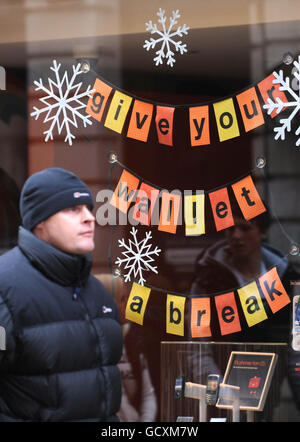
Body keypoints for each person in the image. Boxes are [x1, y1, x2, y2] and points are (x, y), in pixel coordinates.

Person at [0, 167, 123, 422]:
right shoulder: (5, 287)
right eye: (72, 209)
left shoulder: (99, 293)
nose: (89, 218)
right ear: (40, 222)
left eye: (89, 208)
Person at [97, 274, 157, 422]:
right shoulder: (92, 344)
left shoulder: (132, 339)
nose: (129, 304)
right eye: (122, 299)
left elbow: (148, 394)